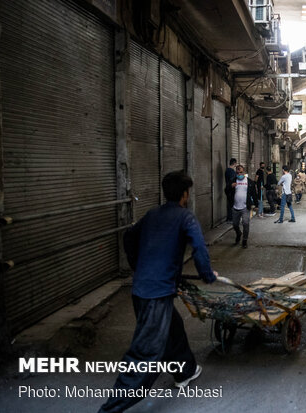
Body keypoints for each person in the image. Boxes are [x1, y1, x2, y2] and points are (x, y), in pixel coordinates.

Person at [99, 171, 217, 413]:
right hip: (156, 293)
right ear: (185, 194)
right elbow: (199, 249)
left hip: (142, 290)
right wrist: (207, 274)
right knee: (146, 356)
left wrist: (138, 266)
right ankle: (110, 409)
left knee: (172, 327)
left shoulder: (152, 214)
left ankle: (185, 371)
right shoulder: (186, 218)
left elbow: (129, 237)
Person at [230, 164, 258, 248]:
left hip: (245, 207)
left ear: (244, 172)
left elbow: (254, 194)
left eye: (241, 172)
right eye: (238, 173)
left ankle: (244, 240)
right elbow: (226, 191)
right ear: (236, 173)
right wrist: (230, 186)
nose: (239, 174)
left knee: (246, 223)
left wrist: (256, 205)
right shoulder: (233, 180)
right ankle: (238, 233)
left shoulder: (249, 182)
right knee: (235, 224)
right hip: (235, 207)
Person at [224, 158, 237, 222]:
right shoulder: (231, 171)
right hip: (231, 190)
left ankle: (229, 218)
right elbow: (232, 181)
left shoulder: (227, 170)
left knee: (230, 204)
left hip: (228, 189)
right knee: (231, 204)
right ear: (234, 163)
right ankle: (230, 219)